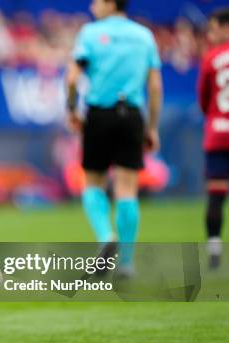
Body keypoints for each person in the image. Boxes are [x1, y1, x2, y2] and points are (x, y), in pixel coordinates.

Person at [66, 0, 162, 276]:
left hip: (99, 115)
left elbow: (72, 79)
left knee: (93, 182)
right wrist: (152, 127)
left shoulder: (90, 33)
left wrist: (72, 110)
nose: (92, 5)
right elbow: (155, 86)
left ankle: (106, 236)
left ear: (110, 3)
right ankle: (127, 264)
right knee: (127, 189)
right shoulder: (144, 36)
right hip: (132, 114)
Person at [198, 8, 229, 268]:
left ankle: (214, 250)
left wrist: (217, 118)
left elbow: (204, 99)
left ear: (228, 28)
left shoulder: (212, 58)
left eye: (214, 29)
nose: (211, 35)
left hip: (220, 135)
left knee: (217, 195)